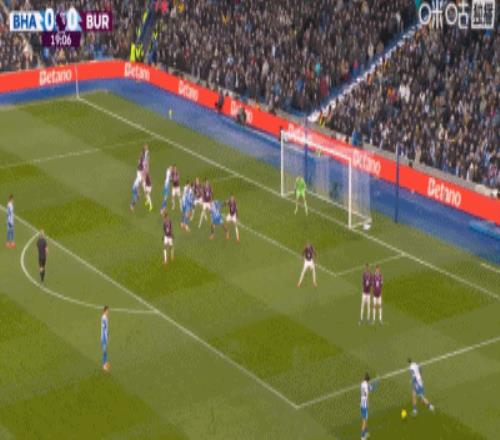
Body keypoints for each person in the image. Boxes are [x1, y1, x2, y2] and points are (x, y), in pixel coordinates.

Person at [360, 373, 379, 440]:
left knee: (364, 419)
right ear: (368, 380)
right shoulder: (367, 385)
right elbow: (373, 388)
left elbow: (369, 388)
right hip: (365, 405)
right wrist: (377, 381)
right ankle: (362, 437)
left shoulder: (362, 384)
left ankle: (366, 432)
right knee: (364, 421)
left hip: (361, 404)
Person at [101, 305, 110, 371]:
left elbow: (106, 329)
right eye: (107, 311)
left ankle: (106, 363)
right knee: (104, 351)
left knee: (105, 350)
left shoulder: (106, 317)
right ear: (105, 311)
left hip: (105, 336)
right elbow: (104, 329)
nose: (108, 312)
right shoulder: (104, 318)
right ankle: (104, 365)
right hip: (104, 337)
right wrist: (106, 337)